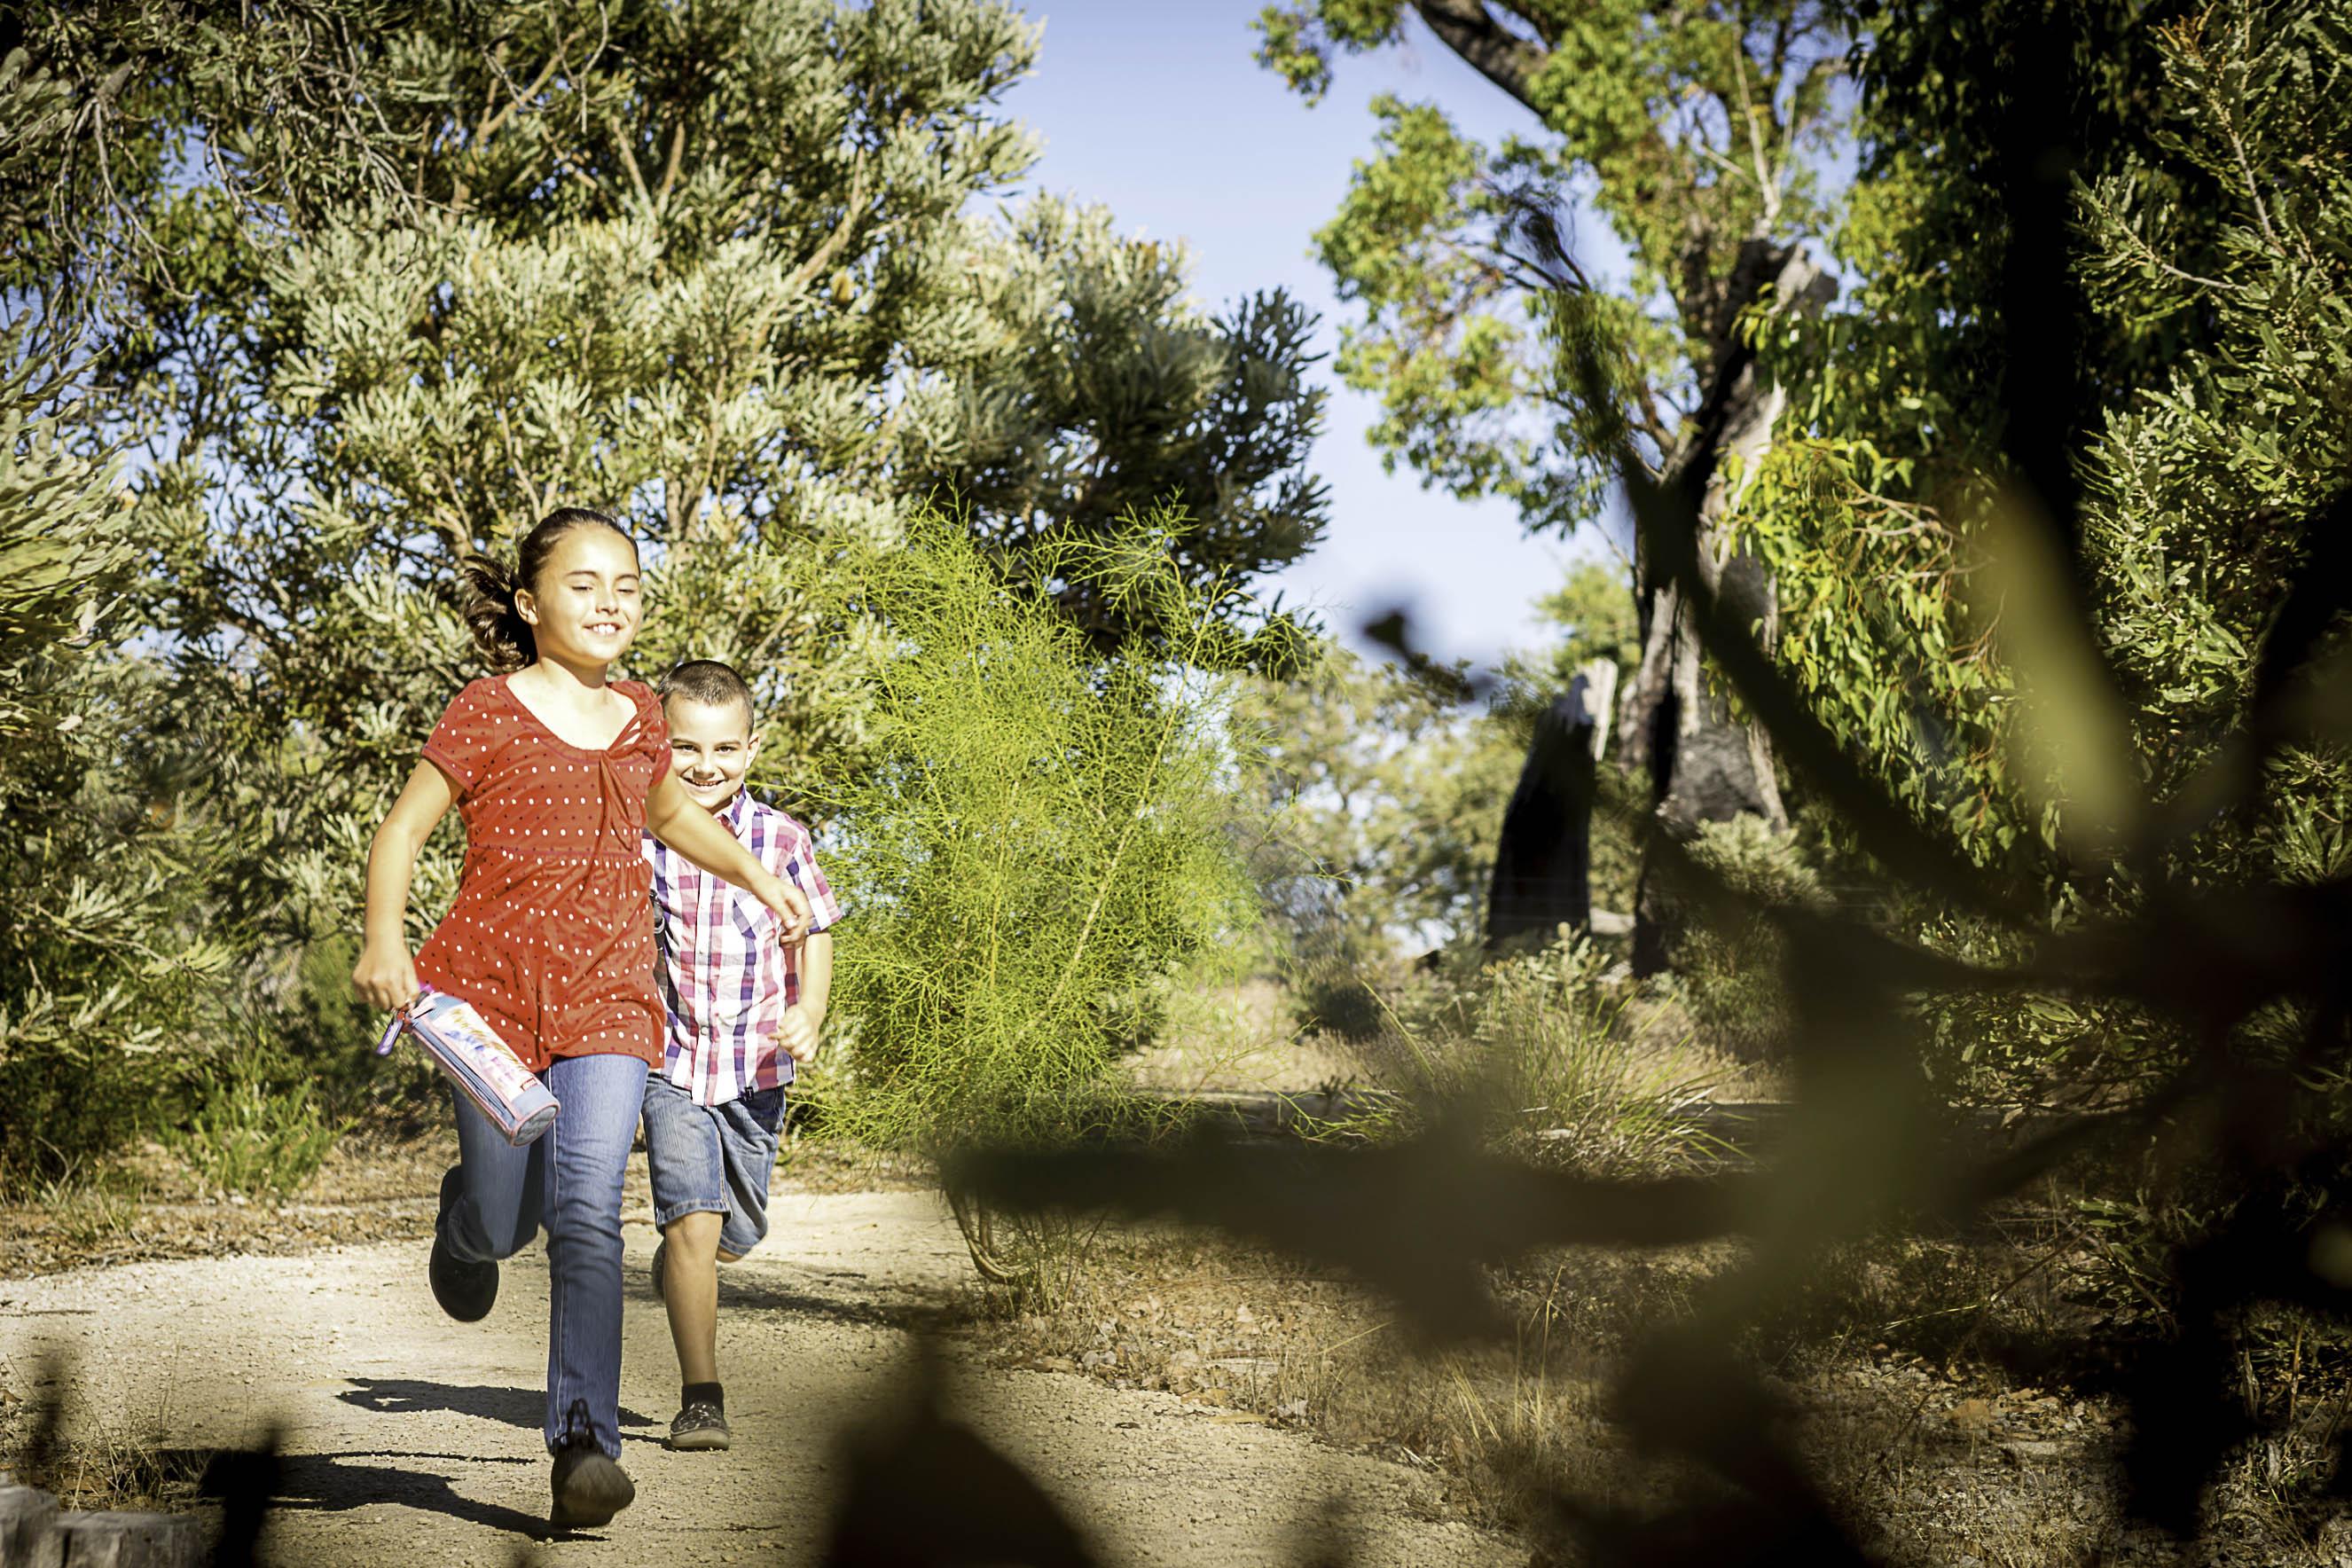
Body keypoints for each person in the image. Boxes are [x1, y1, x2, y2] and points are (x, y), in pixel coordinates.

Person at [350, 508, 812, 1530]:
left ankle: (583, 1441)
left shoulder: (644, 712)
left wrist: (755, 875)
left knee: (588, 1210)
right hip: (486, 996)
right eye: (585, 583)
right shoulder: (485, 710)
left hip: (610, 997)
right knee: (512, 1216)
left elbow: (674, 814)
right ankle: (467, 1224)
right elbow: (403, 831)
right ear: (528, 603)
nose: (612, 602)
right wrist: (387, 940)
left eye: (629, 585)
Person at [639, 658, 842, 1452]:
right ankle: (702, 1398)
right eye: (686, 748)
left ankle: (692, 1266)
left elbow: (816, 928)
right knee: (692, 1220)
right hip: (672, 1061)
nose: (704, 766)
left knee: (737, 1231)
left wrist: (810, 1009)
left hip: (756, 1069)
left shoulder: (781, 837)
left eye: (723, 750)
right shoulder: (646, 835)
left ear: (751, 749)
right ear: (660, 745)